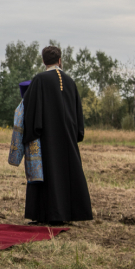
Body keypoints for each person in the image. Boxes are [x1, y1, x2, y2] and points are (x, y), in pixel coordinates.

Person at [22, 45, 92, 224]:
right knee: (66, 173)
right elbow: (78, 112)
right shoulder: (70, 81)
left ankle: (48, 215)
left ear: (43, 61)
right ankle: (68, 214)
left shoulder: (39, 80)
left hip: (47, 137)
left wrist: (30, 132)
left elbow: (29, 108)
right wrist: (76, 133)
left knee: (49, 175)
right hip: (67, 137)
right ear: (60, 60)